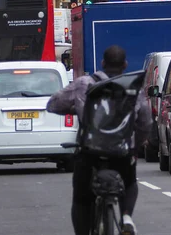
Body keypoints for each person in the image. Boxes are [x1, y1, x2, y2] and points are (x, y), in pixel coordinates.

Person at [47, 45, 152, 235]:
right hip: (122, 152)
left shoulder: (83, 84)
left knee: (80, 198)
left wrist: (73, 109)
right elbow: (145, 122)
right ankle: (126, 217)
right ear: (125, 65)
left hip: (89, 152)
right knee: (129, 182)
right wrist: (135, 146)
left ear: (103, 63)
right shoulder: (133, 89)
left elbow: (53, 104)